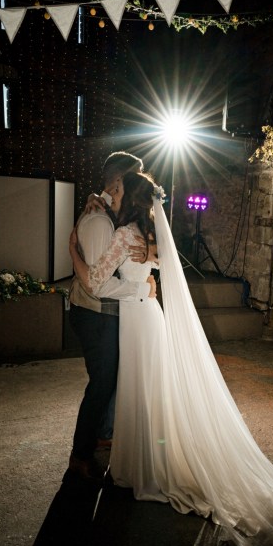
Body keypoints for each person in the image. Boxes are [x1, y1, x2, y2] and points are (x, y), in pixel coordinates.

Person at [69, 171, 273, 546]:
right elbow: (152, 269)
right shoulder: (151, 236)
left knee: (141, 393)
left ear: (130, 199)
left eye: (118, 192)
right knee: (152, 394)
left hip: (136, 320)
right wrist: (146, 278)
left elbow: (97, 283)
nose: (112, 197)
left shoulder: (124, 236)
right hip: (150, 318)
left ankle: (140, 469)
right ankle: (145, 462)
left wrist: (73, 254)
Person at [68, 151, 155, 481]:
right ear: (119, 181)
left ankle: (105, 433)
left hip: (120, 314)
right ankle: (80, 455)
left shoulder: (114, 215)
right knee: (101, 386)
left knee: (115, 382)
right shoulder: (101, 220)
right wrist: (141, 290)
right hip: (96, 315)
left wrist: (150, 260)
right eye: (132, 179)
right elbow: (94, 285)